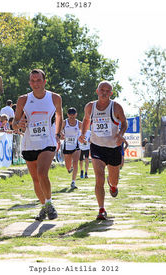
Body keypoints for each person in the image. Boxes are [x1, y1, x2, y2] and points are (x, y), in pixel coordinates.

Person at [12, 69, 63, 222]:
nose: (36, 83)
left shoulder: (54, 97)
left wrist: (58, 133)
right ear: (29, 82)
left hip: (48, 141)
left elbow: (60, 115)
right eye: (33, 81)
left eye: (38, 80)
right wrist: (18, 124)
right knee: (35, 179)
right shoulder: (23, 99)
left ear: (44, 81)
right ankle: (43, 206)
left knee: (42, 173)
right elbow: (15, 123)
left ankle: (49, 204)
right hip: (29, 143)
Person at [79, 80, 127, 220]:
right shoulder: (90, 106)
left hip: (113, 147)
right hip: (97, 147)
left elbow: (124, 123)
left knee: (114, 179)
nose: (104, 93)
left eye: (107, 91)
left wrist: (120, 134)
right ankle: (101, 209)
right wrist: (83, 134)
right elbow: (86, 120)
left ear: (111, 93)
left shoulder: (116, 107)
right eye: (102, 90)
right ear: (97, 91)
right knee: (99, 178)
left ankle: (112, 185)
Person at [61, 107, 82, 189]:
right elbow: (58, 130)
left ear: (76, 115)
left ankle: (73, 182)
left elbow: (84, 130)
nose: (72, 117)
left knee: (76, 162)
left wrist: (82, 136)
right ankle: (70, 169)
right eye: (70, 116)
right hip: (67, 145)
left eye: (73, 116)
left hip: (76, 145)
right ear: (68, 115)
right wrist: (61, 134)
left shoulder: (79, 123)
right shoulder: (64, 123)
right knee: (68, 166)